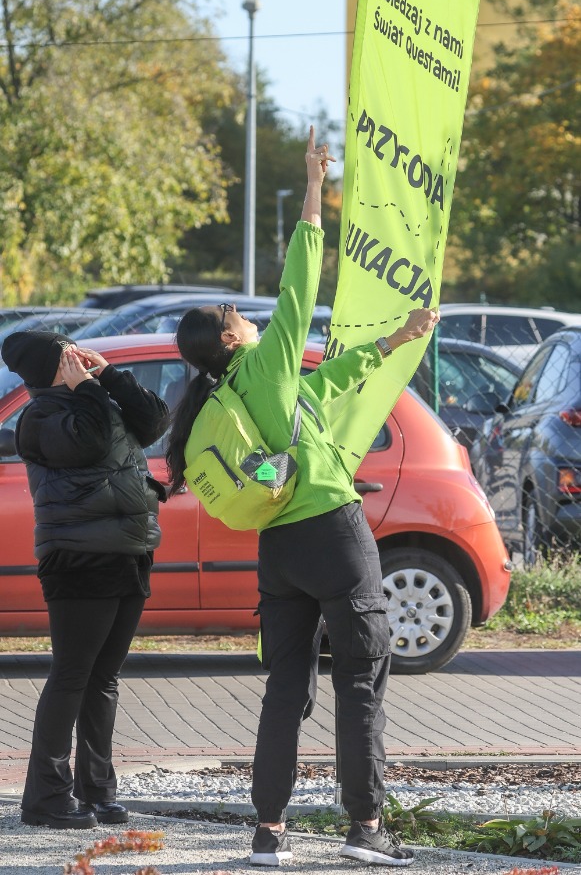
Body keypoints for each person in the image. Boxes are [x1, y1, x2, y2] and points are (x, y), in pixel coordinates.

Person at [166, 127, 439, 867]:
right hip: (331, 531)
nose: (249, 316)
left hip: (277, 549)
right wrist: (316, 184)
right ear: (230, 338)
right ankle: (365, 829)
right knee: (361, 676)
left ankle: (269, 833)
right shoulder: (266, 357)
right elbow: (301, 278)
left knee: (286, 685)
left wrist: (395, 340)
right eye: (236, 316)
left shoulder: (235, 393)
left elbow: (329, 384)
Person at [0, 330, 169, 830]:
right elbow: (89, 443)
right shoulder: (41, 418)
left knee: (104, 678)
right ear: (52, 367)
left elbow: (154, 421)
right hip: (77, 558)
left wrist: (112, 375)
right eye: (66, 353)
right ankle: (46, 799)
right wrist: (90, 390)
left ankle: (96, 790)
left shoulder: (93, 398)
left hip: (128, 551)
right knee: (73, 674)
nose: (76, 357)